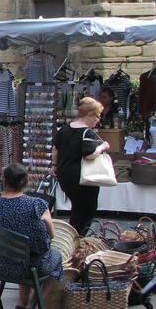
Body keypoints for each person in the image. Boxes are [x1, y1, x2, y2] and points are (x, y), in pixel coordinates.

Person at [0, 162, 63, 309]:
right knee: (55, 259)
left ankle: (21, 305)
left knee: (21, 254)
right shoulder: (36, 205)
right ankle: (34, 307)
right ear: (25, 182)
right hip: (27, 267)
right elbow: (50, 236)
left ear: (4, 181)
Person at [52, 97, 110, 235]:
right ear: (89, 115)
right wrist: (103, 146)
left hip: (65, 176)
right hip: (83, 179)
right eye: (97, 116)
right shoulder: (87, 132)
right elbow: (89, 154)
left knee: (77, 209)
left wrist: (55, 165)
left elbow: (55, 149)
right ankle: (76, 240)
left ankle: (73, 238)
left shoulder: (65, 129)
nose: (98, 120)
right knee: (85, 212)